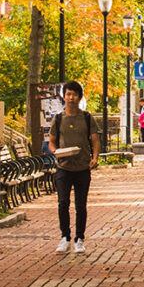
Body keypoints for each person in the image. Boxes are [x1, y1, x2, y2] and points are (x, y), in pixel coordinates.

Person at [49, 81, 101, 254]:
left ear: (79, 97)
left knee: (81, 205)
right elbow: (51, 141)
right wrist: (56, 152)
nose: (71, 98)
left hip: (82, 168)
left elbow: (95, 140)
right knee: (63, 202)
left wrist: (94, 158)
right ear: (64, 96)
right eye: (68, 94)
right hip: (63, 167)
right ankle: (65, 237)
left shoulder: (87, 118)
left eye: (74, 94)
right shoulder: (58, 119)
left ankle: (79, 238)